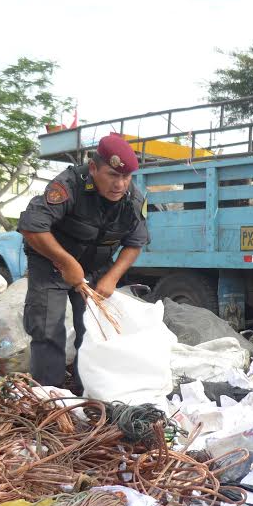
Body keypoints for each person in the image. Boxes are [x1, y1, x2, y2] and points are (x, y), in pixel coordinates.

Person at [17, 134, 149, 389]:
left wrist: (112, 277)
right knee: (48, 329)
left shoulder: (132, 199)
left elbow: (135, 242)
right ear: (93, 168)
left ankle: (87, 393)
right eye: (112, 175)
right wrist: (66, 263)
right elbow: (32, 228)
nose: (120, 184)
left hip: (95, 267)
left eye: (127, 177)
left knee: (94, 331)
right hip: (51, 263)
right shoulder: (67, 185)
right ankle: (49, 397)